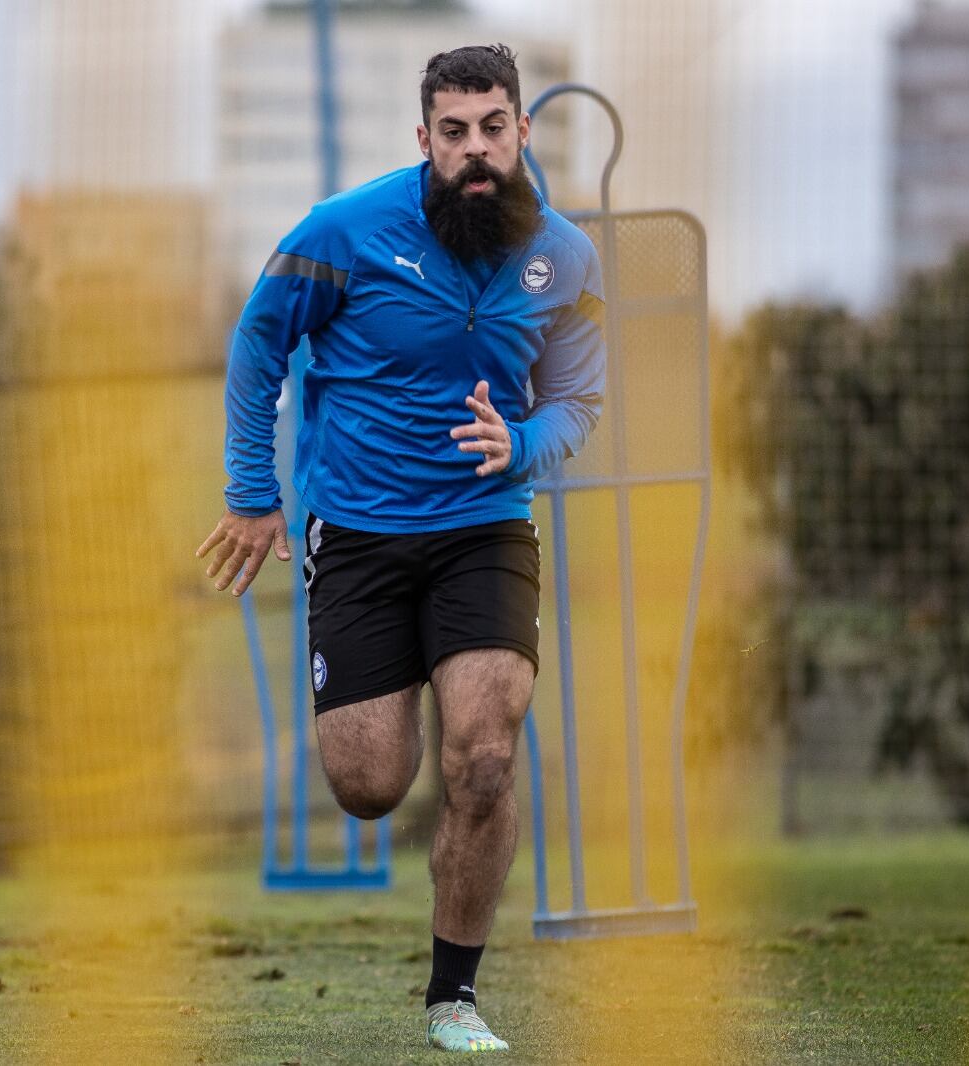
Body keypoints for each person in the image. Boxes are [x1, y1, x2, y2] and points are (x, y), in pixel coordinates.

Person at [196, 43, 605, 1053]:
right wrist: (254, 492)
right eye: (454, 131)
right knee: (369, 784)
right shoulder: (342, 232)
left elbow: (577, 401)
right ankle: (397, 705)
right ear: (423, 139)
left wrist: (522, 444)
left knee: (482, 756)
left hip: (487, 526)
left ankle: (452, 996)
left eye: (493, 127)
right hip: (360, 532)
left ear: (520, 130)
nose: (475, 149)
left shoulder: (567, 259)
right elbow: (258, 344)